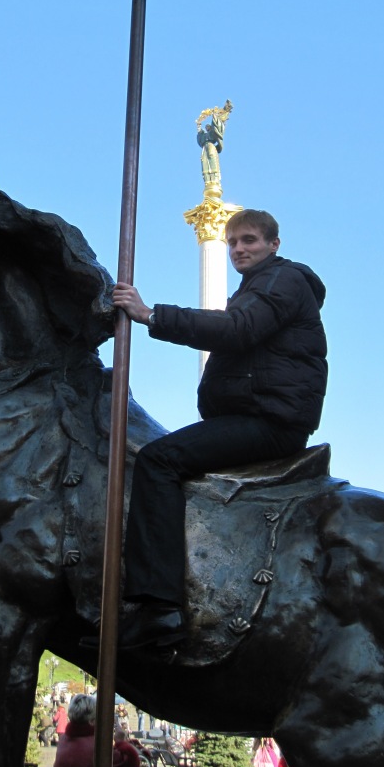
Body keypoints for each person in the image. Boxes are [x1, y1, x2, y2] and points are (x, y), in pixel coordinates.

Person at [113, 209, 327, 650]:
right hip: (256, 416)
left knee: (159, 459)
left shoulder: (282, 280)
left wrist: (151, 315)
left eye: (249, 240)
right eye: (232, 243)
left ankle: (160, 608)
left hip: (268, 422)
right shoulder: (259, 287)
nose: (238, 249)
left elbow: (237, 330)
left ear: (274, 244)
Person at [52, 694, 140, 767]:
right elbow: (130, 764)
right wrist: (121, 742)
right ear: (91, 721)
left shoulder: (64, 740)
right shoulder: (94, 746)